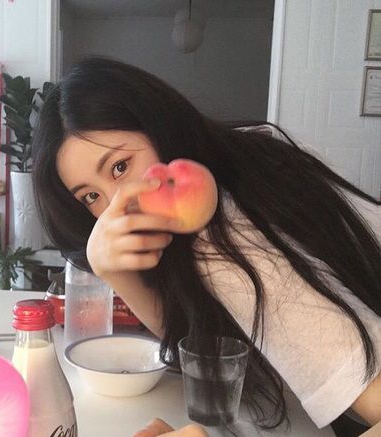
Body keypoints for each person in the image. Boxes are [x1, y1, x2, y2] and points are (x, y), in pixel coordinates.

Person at [32, 57, 381, 436]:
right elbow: (183, 334)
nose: (117, 208)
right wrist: (114, 271)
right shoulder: (249, 146)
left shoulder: (228, 240)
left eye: (120, 167)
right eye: (91, 196)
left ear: (157, 126)